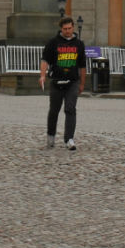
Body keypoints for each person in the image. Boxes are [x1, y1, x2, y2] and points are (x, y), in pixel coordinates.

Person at [40, 16, 87, 149]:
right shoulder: (53, 43)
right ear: (61, 29)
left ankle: (69, 139)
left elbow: (82, 66)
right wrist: (42, 75)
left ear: (73, 27)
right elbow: (45, 60)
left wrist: (82, 83)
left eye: (70, 28)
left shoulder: (79, 44)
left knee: (70, 109)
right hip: (56, 81)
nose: (67, 31)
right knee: (54, 110)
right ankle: (51, 135)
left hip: (73, 82)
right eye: (65, 29)